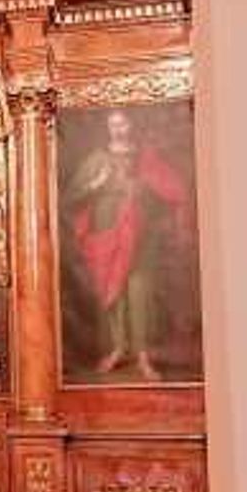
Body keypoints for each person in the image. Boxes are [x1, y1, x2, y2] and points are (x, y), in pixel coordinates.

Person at [64, 109, 191, 381]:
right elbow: (72, 196)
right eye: (113, 124)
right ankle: (118, 348)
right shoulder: (97, 160)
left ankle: (143, 354)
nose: (118, 128)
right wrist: (94, 185)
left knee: (140, 291)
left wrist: (143, 191)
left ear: (130, 125)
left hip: (139, 234)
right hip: (105, 233)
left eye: (122, 123)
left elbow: (169, 188)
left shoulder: (144, 158)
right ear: (108, 128)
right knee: (113, 292)